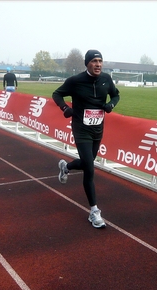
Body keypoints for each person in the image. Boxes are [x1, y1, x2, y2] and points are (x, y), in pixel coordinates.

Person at [52, 49, 120, 228]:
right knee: (90, 169)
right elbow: (56, 94)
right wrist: (65, 108)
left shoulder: (106, 79)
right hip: (81, 129)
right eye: (94, 61)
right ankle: (94, 212)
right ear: (87, 63)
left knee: (86, 162)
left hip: (97, 129)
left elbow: (116, 94)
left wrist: (111, 104)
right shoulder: (75, 81)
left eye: (100, 61)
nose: (98, 64)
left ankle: (66, 167)